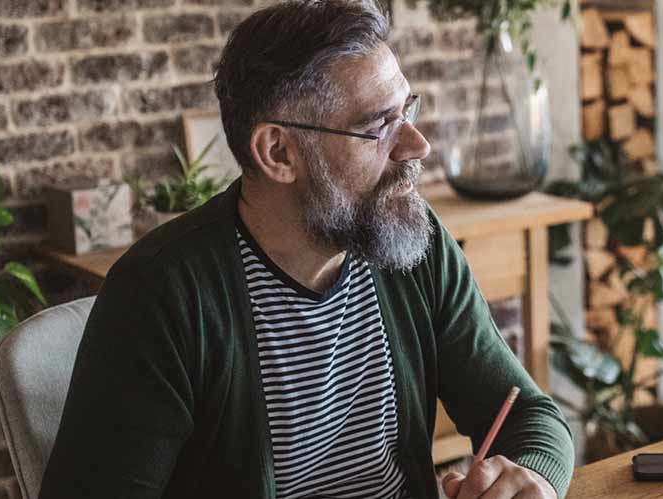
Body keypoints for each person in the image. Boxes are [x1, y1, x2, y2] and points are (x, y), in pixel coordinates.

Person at [38, 3, 573, 499]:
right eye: (378, 125)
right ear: (278, 152)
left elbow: (529, 416)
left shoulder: (411, 243)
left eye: (406, 109)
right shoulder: (161, 295)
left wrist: (531, 482)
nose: (417, 145)